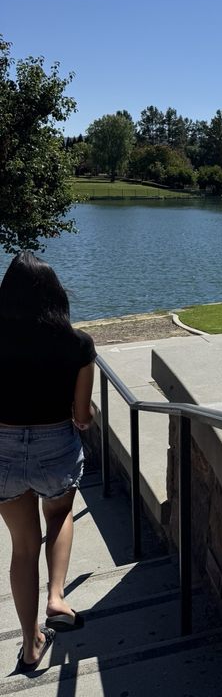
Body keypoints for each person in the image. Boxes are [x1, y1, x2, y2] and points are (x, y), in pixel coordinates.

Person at [0, 252, 95, 672]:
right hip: (55, 443)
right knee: (59, 516)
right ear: (57, 295)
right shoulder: (77, 345)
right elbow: (81, 417)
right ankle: (57, 598)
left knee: (23, 547)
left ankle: (31, 642)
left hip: (1, 448)